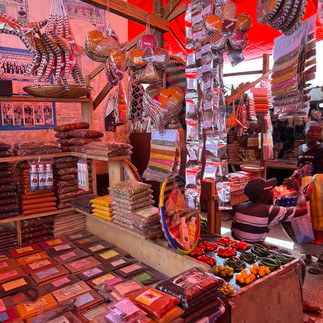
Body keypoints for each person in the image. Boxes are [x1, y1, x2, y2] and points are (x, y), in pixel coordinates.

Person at [231, 177, 307, 244]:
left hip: (239, 245)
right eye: (270, 189)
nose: (273, 190)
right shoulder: (270, 211)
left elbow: (235, 234)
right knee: (285, 253)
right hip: (252, 249)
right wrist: (298, 189)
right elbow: (303, 209)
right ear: (261, 196)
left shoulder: (239, 206)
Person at [293, 121, 323, 270]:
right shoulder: (300, 149)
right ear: (304, 131)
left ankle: (322, 259)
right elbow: (298, 168)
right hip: (303, 190)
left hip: (319, 192)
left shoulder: (322, 148)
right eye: (311, 131)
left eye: (317, 131)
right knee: (303, 221)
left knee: (319, 224)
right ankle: (307, 254)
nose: (314, 134)